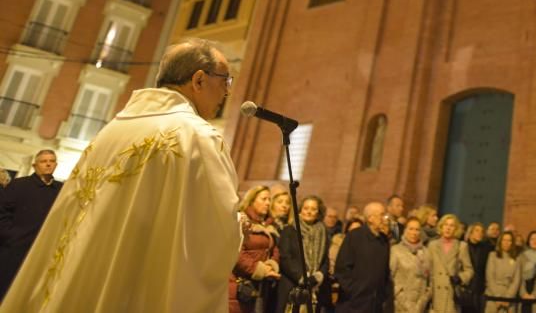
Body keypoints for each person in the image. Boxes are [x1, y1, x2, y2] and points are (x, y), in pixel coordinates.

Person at [0, 38, 241, 313]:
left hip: (80, 282)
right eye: (225, 80)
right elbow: (216, 235)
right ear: (198, 80)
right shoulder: (198, 137)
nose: (227, 92)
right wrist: (238, 226)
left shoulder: (111, 130)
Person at [0, 149, 62, 299]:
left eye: (51, 161)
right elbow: (2, 212)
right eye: (43, 161)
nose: (48, 164)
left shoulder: (61, 189)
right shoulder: (19, 185)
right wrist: (11, 235)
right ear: (35, 165)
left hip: (43, 250)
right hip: (14, 249)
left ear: (56, 164)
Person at [230, 185, 282, 313]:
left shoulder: (269, 225)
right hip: (240, 281)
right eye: (264, 199)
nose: (268, 203)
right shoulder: (242, 221)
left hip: (260, 285)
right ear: (252, 200)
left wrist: (271, 265)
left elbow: (274, 249)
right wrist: (259, 269)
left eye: (269, 200)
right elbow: (237, 252)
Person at [335, 201, 391, 313]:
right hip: (353, 304)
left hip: (375, 304)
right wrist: (354, 290)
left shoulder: (384, 240)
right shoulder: (354, 236)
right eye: (382, 214)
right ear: (370, 218)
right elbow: (342, 268)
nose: (385, 218)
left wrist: (383, 293)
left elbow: (384, 272)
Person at [277, 195, 330, 313]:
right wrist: (303, 278)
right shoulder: (289, 230)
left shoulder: (323, 231)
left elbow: (325, 259)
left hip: (314, 287)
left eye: (313, 209)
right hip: (292, 286)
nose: (309, 212)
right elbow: (285, 258)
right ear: (300, 210)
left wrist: (317, 276)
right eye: (306, 208)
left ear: (319, 212)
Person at [428, 213, 474, 313]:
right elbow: (428, 269)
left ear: (456, 229)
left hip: (452, 295)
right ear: (441, 227)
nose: (448, 228)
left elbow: (469, 270)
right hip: (435, 294)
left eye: (451, 225)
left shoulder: (462, 246)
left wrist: (460, 278)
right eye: (446, 225)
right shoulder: (432, 245)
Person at [391, 217, 433, 313]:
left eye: (417, 229)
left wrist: (424, 300)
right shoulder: (396, 250)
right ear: (405, 231)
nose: (414, 233)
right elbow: (390, 279)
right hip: (400, 305)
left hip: (421, 306)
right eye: (411, 229)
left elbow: (430, 280)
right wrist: (403, 300)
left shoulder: (426, 252)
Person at [486, 230, 522, 313]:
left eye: (509, 240)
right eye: (504, 240)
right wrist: (497, 297)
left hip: (509, 298)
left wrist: (508, 297)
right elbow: (490, 277)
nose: (506, 242)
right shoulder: (492, 256)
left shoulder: (517, 258)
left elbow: (516, 280)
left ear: (512, 243)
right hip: (493, 296)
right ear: (500, 241)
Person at [466, 222, 492, 312]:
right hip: (466, 286)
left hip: (480, 287)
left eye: (482, 231)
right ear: (471, 232)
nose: (480, 233)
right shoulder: (463, 246)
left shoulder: (487, 248)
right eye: (477, 231)